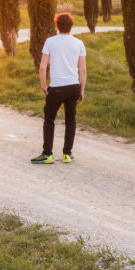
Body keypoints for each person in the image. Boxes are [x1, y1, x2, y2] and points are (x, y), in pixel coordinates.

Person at [31, 12, 86, 164]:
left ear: (57, 25)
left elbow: (42, 67)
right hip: (73, 87)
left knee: (49, 119)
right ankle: (67, 154)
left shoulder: (50, 42)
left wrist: (43, 85)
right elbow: (82, 70)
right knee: (71, 120)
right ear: (71, 26)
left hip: (56, 88)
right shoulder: (79, 43)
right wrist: (82, 90)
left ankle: (47, 154)